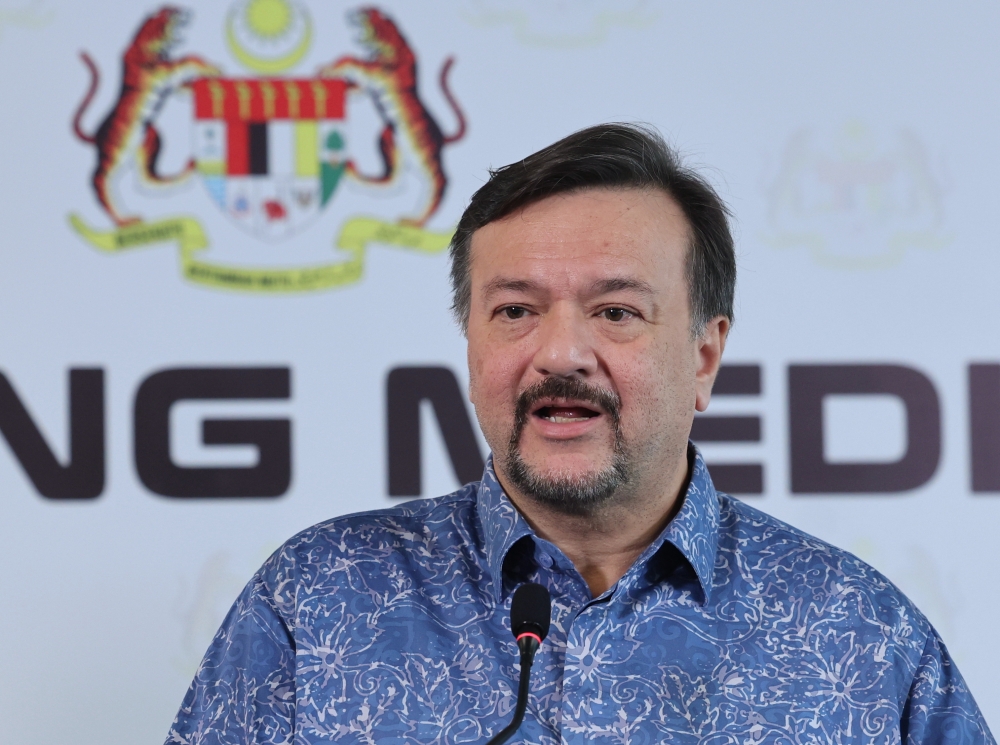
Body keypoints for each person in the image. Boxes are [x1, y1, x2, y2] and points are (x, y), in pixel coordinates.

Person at [166, 124, 994, 744]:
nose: (559, 353)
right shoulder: (316, 600)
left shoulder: (858, 629)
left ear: (704, 355)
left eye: (616, 311)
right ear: (471, 344)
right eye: (515, 310)